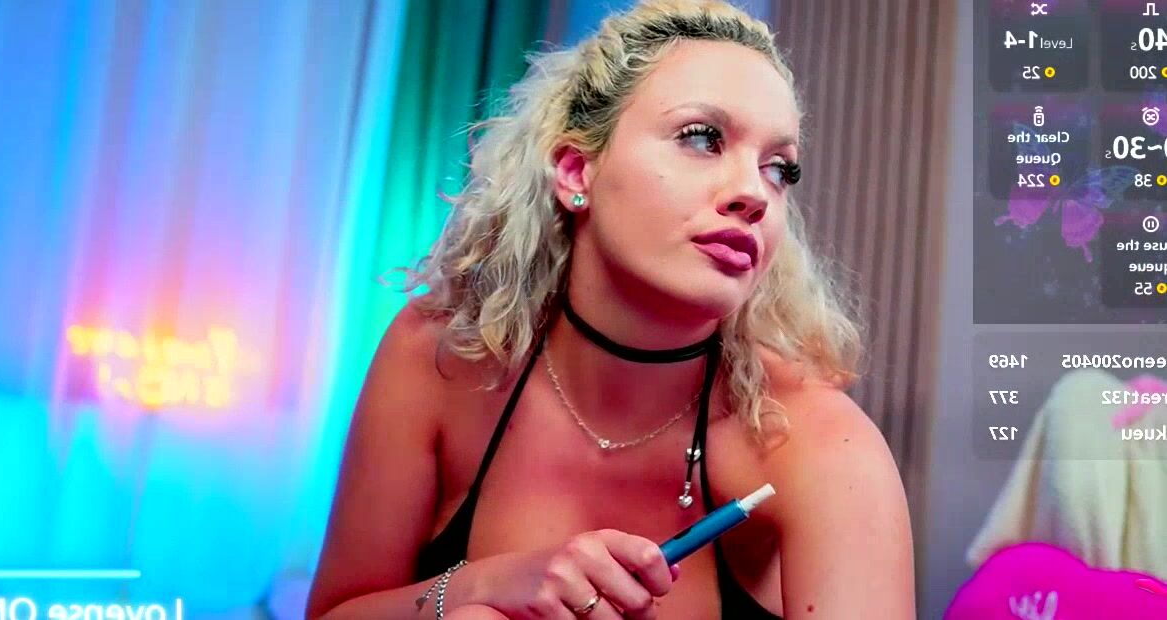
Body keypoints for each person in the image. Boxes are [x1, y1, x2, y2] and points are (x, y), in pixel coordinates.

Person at [306, 0, 914, 618]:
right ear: (576, 171)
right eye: (701, 138)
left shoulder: (820, 446)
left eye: (779, 169)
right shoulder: (442, 357)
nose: (754, 193)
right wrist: (479, 590)